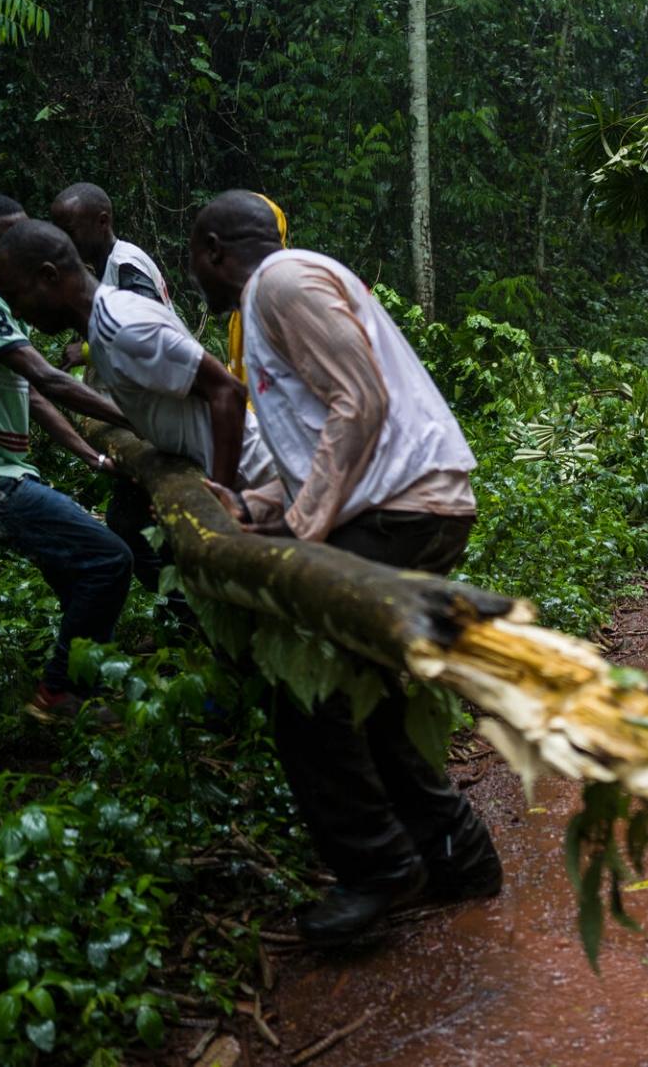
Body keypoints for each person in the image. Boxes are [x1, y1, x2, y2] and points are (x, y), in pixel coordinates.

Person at [190, 189, 501, 946]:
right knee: (362, 691)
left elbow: (358, 401)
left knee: (311, 696)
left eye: (192, 259)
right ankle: (458, 854)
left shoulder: (282, 283)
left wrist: (302, 528)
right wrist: (265, 503)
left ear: (211, 250)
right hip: (401, 506)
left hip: (400, 512)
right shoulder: (278, 293)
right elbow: (320, 430)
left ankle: (381, 871)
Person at [0, 194, 135, 722]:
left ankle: (84, 690)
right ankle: (59, 692)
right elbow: (46, 377)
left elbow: (36, 398)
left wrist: (92, 456)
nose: (18, 246)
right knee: (109, 558)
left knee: (78, 577)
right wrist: (140, 420)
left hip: (2, 476)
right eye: (6, 239)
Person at [0, 219, 252, 492]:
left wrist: (223, 496)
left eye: (15, 296)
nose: (16, 312)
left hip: (256, 476)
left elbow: (228, 390)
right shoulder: (103, 331)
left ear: (49, 276)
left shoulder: (123, 328)